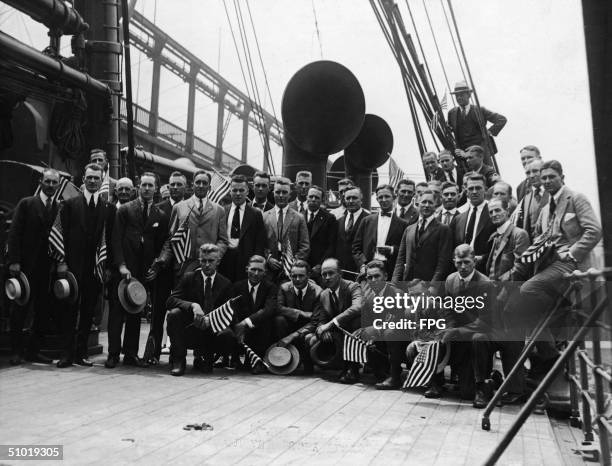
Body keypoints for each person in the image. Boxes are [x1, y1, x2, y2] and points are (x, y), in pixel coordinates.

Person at [514, 160, 602, 377]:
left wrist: (572, 254)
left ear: (562, 176)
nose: (546, 181)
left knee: (527, 291)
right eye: (543, 178)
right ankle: (549, 353)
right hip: (551, 266)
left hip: (571, 265)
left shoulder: (576, 198)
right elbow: (539, 236)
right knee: (524, 304)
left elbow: (594, 230)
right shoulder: (545, 209)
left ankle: (550, 354)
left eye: (551, 176)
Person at [107, 172, 170, 368]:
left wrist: (158, 266)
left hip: (145, 272)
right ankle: (113, 353)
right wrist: (121, 265)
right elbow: (115, 240)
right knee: (117, 313)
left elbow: (163, 243)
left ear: (156, 188)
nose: (147, 188)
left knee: (135, 312)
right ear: (138, 187)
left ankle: (130, 354)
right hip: (125, 269)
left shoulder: (160, 215)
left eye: (150, 185)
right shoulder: (125, 210)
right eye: (143, 185)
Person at [56, 163, 115, 368]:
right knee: (69, 311)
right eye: (89, 177)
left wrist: (108, 268)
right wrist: (62, 263)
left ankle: (81, 354)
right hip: (73, 268)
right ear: (83, 179)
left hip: (95, 270)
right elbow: (60, 236)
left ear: (101, 181)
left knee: (88, 312)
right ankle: (66, 354)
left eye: (96, 178)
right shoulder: (70, 204)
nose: (92, 181)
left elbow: (112, 241)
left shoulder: (109, 209)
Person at [6, 169, 61, 365]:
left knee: (42, 311)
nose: (51, 185)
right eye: (48, 181)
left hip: (46, 270)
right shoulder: (27, 204)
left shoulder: (58, 208)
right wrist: (14, 261)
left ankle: (33, 351)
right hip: (25, 267)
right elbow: (14, 234)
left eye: (54, 182)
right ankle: (16, 351)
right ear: (41, 181)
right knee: (20, 310)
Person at [482, 198, 530, 404]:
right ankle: (506, 386)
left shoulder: (519, 234)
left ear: (507, 211)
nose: (494, 214)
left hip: (511, 296)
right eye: (491, 212)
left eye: (498, 210)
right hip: (495, 297)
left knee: (512, 344)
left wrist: (499, 284)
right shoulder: (495, 236)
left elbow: (521, 267)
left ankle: (517, 390)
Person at [439, 244, 494, 406]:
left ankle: (482, 387)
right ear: (454, 261)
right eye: (459, 263)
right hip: (459, 334)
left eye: (467, 262)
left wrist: (457, 331)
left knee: (479, 338)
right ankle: (436, 381)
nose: (463, 267)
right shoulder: (450, 280)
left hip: (480, 333)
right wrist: (448, 327)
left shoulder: (485, 284)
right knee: (438, 333)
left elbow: (485, 321)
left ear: (474, 262)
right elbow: (447, 309)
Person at [165, 244, 232, 376]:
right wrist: (192, 305)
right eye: (203, 261)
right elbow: (170, 301)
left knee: (227, 334)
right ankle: (179, 359)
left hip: (211, 331)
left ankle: (206, 357)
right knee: (174, 314)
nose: (207, 265)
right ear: (199, 261)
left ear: (218, 262)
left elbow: (230, 314)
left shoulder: (225, 284)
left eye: (211, 261)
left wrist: (211, 320)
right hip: (190, 328)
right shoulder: (189, 278)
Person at [147, 171, 188, 363]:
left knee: (179, 313)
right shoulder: (157, 209)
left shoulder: (190, 208)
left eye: (179, 184)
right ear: (167, 186)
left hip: (182, 269)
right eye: (172, 184)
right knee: (157, 312)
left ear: (185, 187)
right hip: (161, 270)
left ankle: (177, 354)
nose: (175, 188)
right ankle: (153, 353)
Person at [302, 258, 363, 383]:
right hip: (338, 334)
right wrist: (323, 329)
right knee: (310, 337)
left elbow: (358, 307)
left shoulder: (353, 287)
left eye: (331, 273)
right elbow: (321, 319)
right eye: (324, 274)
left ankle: (353, 368)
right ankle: (339, 367)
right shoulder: (324, 294)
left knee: (356, 320)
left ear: (340, 273)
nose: (327, 277)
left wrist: (331, 324)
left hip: (355, 332)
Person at [167, 170, 229, 274]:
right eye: (198, 182)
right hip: (183, 265)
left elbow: (223, 240)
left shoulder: (219, 210)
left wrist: (213, 257)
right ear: (192, 185)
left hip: (208, 267)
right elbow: (171, 237)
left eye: (204, 183)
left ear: (209, 187)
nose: (201, 186)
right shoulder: (179, 207)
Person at [392, 190, 453, 292]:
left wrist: (434, 286)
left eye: (430, 202)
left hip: (428, 285)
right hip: (408, 284)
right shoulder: (409, 229)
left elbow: (443, 261)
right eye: (424, 202)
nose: (427, 205)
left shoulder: (443, 229)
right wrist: (395, 283)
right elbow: (400, 259)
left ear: (436, 205)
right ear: (417, 203)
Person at [229, 255, 279, 372]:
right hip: (240, 327)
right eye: (253, 269)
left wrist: (247, 322)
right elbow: (233, 310)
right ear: (247, 269)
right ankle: (235, 358)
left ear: (265, 272)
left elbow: (269, 309)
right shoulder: (237, 287)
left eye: (260, 270)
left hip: (259, 326)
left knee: (267, 320)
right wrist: (240, 324)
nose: (256, 273)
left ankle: (257, 361)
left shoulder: (270, 287)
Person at [275, 260, 323, 373]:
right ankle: (284, 358)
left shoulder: (318, 292)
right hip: (290, 323)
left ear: (309, 275)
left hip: (308, 327)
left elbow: (315, 321)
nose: (297, 279)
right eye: (294, 276)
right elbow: (277, 308)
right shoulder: (284, 288)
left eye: (301, 276)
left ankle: (307, 360)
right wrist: (300, 313)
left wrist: (291, 337)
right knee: (279, 320)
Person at [352, 184, 408, 278]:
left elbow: (406, 250)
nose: (384, 200)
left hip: (391, 270)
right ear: (377, 199)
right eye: (380, 197)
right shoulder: (366, 221)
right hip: (369, 269)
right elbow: (356, 248)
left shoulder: (403, 224)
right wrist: (362, 265)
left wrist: (391, 250)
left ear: (394, 197)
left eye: (387, 196)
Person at [447, 80, 507, 166]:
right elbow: (450, 129)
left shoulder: (479, 110)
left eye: (461, 94)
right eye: (457, 95)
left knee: (488, 175)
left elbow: (501, 120)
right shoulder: (452, 113)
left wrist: (489, 132)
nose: (459, 98)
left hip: (481, 154)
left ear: (469, 95)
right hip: (463, 155)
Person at [219, 174, 266, 282]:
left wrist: (255, 266)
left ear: (247, 191)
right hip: (225, 261)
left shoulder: (256, 214)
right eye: (235, 190)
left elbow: (260, 242)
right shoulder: (222, 211)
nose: (238, 194)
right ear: (230, 191)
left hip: (246, 263)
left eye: (241, 190)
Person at [263, 177, 310, 277]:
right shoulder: (264, 216)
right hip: (268, 270)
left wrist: (293, 263)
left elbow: (304, 246)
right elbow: (260, 243)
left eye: (284, 192)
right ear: (273, 193)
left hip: (290, 271)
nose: (281, 195)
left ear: (290, 194)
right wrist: (268, 259)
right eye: (278, 192)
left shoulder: (299, 218)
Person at [450, 174, 495, 272]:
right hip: (461, 271)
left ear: (485, 189)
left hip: (485, 270)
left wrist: (483, 258)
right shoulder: (458, 219)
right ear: (466, 191)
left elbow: (498, 248)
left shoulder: (493, 216)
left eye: (478, 188)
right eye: (471, 188)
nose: (474, 192)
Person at [304, 185, 337, 279]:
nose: (313, 199)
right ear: (307, 198)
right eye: (311, 196)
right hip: (301, 266)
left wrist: (320, 265)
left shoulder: (329, 218)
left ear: (322, 200)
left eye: (317, 197)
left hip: (320, 268)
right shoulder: (298, 216)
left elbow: (331, 245)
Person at [335, 187, 369, 274]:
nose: (351, 201)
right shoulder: (339, 221)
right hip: (342, 270)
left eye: (354, 198)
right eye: (348, 198)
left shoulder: (369, 219)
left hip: (361, 269)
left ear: (361, 200)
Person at [514, 159, 548, 241]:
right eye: (528, 173)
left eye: (535, 171)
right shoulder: (526, 199)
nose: (531, 176)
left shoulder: (553, 193)